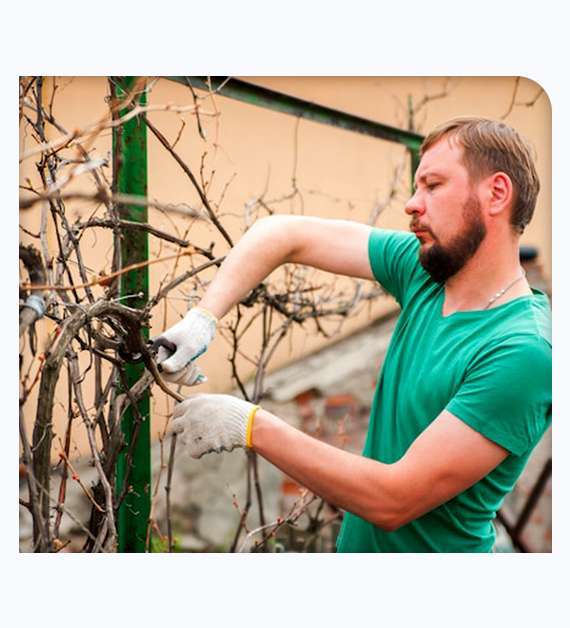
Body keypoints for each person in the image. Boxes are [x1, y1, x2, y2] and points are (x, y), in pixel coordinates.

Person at [155, 117, 552, 553]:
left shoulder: (523, 352)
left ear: (496, 193)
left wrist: (249, 425)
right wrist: (201, 320)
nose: (412, 204)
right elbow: (285, 234)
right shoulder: (426, 272)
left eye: (433, 185)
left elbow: (393, 498)